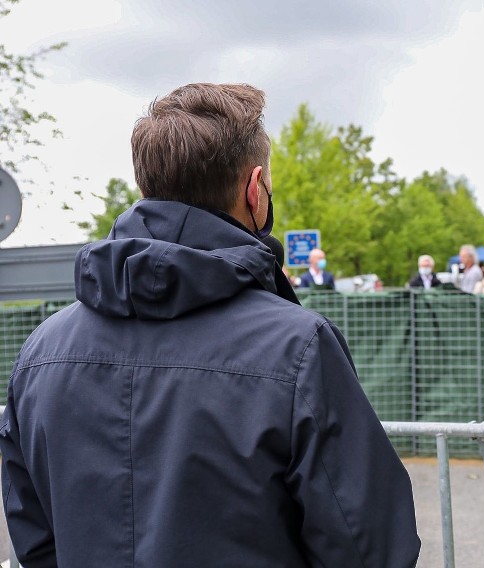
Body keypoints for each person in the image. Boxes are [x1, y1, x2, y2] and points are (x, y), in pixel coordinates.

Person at [0, 83, 420, 567]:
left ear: (147, 190)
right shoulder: (298, 348)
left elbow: (34, 540)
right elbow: (369, 547)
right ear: (255, 189)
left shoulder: (39, 354)